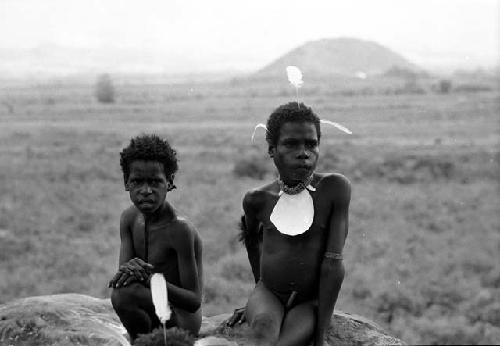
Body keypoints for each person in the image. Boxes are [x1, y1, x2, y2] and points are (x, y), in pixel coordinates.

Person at [227, 102, 351, 346]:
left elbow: (333, 265)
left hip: (308, 301)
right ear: (272, 150)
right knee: (262, 332)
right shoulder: (256, 199)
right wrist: (256, 298)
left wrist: (320, 336)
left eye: (311, 144)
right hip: (269, 294)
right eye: (291, 144)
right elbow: (252, 243)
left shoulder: (334, 189)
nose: (303, 152)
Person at [109, 134, 203, 341]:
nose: (146, 191)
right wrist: (129, 269)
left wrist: (152, 281)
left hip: (182, 319)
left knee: (126, 295)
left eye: (155, 182)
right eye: (137, 182)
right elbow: (124, 277)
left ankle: (152, 341)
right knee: (122, 294)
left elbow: (194, 301)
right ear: (127, 183)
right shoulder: (128, 219)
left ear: (169, 183)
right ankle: (142, 340)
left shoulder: (180, 230)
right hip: (152, 305)